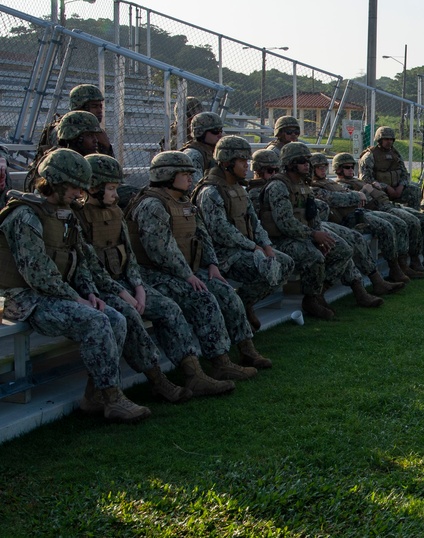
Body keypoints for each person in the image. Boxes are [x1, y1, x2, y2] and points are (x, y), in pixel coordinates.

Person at [0, 149, 149, 422]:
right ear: (55, 182)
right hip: (26, 300)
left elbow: (80, 260)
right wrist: (77, 299)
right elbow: (38, 275)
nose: (77, 193)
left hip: (57, 295)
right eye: (73, 187)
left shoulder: (64, 215)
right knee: (96, 321)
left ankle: (95, 396)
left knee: (115, 318)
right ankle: (113, 398)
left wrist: (90, 292)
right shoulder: (25, 216)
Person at [76, 154, 232, 399]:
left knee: (169, 308)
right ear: (93, 187)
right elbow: (90, 267)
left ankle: (194, 373)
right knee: (129, 316)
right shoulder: (78, 218)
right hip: (99, 288)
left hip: (127, 283)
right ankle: (157, 380)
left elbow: (129, 255)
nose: (116, 195)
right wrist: (125, 293)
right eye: (111, 188)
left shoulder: (115, 212)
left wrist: (137, 287)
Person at [126, 152, 260, 380]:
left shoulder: (183, 201)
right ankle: (210, 365)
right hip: (153, 273)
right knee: (202, 298)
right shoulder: (152, 205)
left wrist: (211, 264)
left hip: (185, 270)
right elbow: (160, 251)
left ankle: (245, 350)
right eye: (185, 174)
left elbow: (202, 234)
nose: (191, 178)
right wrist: (188, 275)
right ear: (167, 175)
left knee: (226, 292)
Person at [192, 136, 294, 339]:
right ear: (227, 163)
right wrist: (252, 247)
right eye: (242, 161)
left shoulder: (239, 188)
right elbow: (221, 230)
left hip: (244, 248)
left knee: (285, 263)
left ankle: (245, 302)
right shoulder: (211, 191)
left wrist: (265, 245)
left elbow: (254, 221)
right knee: (266, 268)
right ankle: (239, 307)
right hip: (223, 254)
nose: (247, 166)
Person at [255, 142, 356, 320]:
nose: (307, 165)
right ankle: (310, 300)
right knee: (314, 257)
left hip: (301, 236)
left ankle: (318, 294)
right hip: (280, 240)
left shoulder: (303, 185)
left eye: (308, 161)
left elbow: (312, 216)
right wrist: (313, 236)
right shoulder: (278, 186)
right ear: (290, 163)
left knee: (343, 250)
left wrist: (319, 237)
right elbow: (285, 223)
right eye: (302, 161)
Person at [307, 152, 407, 296]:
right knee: (359, 238)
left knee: (390, 224)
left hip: (358, 213)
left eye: (324, 166)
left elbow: (347, 194)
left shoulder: (329, 183)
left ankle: (391, 272)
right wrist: (357, 195)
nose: (323, 169)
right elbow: (336, 199)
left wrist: (357, 194)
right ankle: (375, 282)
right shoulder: (312, 187)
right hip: (345, 220)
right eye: (318, 167)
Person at [332, 152, 424, 273]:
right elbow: (353, 203)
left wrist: (376, 185)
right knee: (410, 222)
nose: (351, 170)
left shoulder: (356, 181)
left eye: (352, 167)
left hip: (389, 205)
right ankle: (406, 263)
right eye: (347, 167)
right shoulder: (341, 185)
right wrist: (365, 191)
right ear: (338, 169)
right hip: (379, 210)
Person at [24, 111, 104, 191]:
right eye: (89, 135)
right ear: (74, 137)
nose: (95, 140)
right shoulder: (57, 164)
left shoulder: (93, 161)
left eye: (95, 135)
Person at [358, 126, 421, 208]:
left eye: (391, 139)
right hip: (379, 189)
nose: (389, 142)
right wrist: (386, 187)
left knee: (415, 190)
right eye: (386, 139)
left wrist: (401, 186)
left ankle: (414, 214)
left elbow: (404, 173)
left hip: (397, 189)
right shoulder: (369, 156)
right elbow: (365, 179)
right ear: (380, 140)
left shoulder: (396, 154)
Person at [181, 111, 226, 184]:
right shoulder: (193, 155)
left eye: (220, 130)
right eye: (215, 131)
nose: (220, 135)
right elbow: (194, 186)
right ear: (200, 132)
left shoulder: (212, 151)